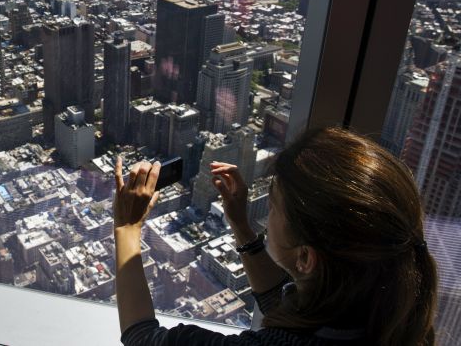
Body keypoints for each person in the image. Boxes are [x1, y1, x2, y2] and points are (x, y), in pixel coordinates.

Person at [114, 127, 438, 345]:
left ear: (306, 258)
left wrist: (127, 228)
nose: (266, 213)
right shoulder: (392, 315)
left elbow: (142, 336)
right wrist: (241, 226)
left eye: (273, 206)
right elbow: (288, 311)